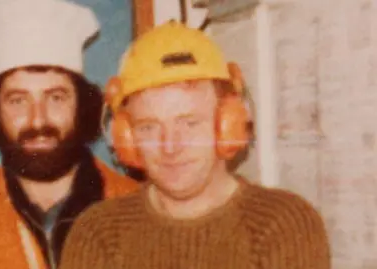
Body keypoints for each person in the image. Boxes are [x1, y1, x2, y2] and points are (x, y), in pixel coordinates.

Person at [59, 20, 331, 269]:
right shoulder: (99, 233)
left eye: (189, 123)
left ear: (227, 125)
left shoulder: (283, 225)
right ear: (127, 139)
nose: (170, 147)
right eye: (149, 127)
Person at [0, 0, 139, 268]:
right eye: (18, 100)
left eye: (56, 98)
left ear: (83, 105)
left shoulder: (138, 209)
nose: (38, 119)